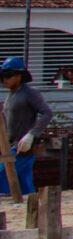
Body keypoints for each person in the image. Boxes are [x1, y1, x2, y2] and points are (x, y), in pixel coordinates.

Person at [0, 57, 53, 195]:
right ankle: (32, 208)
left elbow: (47, 113)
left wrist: (31, 135)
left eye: (8, 75)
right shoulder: (11, 95)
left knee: (3, 175)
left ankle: (9, 203)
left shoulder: (30, 93)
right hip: (13, 145)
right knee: (24, 182)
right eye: (2, 76)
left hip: (23, 147)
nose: (5, 79)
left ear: (19, 75)